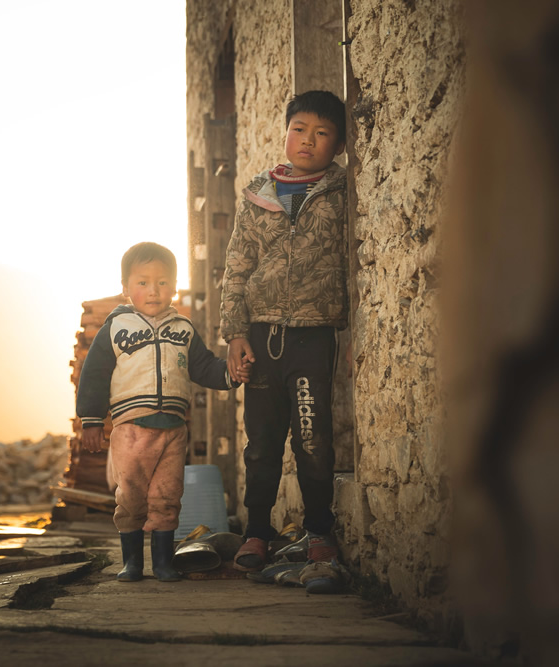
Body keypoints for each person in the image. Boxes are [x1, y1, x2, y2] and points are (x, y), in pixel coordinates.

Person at [221, 90, 348, 574]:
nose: (308, 141)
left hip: (313, 336)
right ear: (285, 132)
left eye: (321, 134)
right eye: (299, 129)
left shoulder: (341, 192)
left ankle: (319, 531)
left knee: (313, 440)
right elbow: (237, 268)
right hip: (262, 335)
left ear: (337, 145)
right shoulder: (258, 195)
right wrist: (235, 333)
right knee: (262, 442)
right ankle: (258, 531)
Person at [77, 242, 246, 582]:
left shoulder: (182, 329)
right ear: (125, 287)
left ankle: (164, 563)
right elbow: (94, 374)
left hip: (173, 430)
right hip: (131, 431)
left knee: (167, 497)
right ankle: (132, 563)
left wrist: (231, 374)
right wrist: (92, 420)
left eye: (163, 282)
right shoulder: (117, 327)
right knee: (132, 498)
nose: (153, 290)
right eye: (143, 282)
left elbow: (203, 367)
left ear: (175, 285)